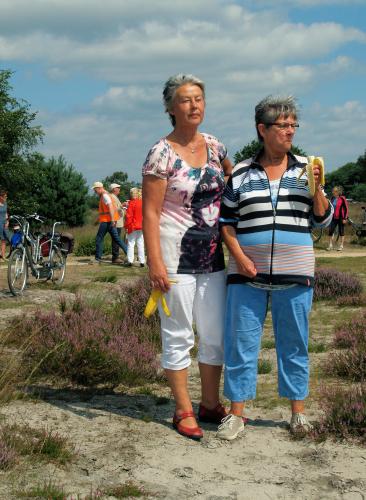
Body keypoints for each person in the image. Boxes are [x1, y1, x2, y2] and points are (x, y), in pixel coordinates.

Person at [217, 95, 333, 441]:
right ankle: (237, 415)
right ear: (262, 129)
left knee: (295, 343)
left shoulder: (305, 169)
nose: (290, 131)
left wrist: (317, 188)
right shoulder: (239, 172)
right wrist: (239, 257)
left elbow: (322, 220)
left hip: (295, 273)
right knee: (240, 343)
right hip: (245, 276)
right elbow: (226, 221)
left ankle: (297, 413)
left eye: (293, 125)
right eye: (283, 125)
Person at [142, 74, 233, 440]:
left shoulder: (215, 146)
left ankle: (210, 404)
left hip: (213, 256)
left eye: (199, 98)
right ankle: (182, 409)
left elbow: (233, 182)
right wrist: (155, 263)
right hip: (174, 255)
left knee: (214, 333)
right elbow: (150, 213)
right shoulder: (160, 153)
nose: (194, 105)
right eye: (184, 100)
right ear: (170, 108)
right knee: (178, 333)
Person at [92, 181, 127, 262]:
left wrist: (111, 220)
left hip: (107, 221)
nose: (95, 191)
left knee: (99, 238)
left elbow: (111, 207)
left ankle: (97, 258)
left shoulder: (104, 196)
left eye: (95, 190)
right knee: (117, 239)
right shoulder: (105, 195)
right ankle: (129, 253)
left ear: (99, 188)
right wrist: (98, 220)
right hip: (109, 220)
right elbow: (104, 211)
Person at [124, 187, 145, 267]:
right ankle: (142, 261)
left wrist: (127, 226)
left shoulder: (131, 203)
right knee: (140, 243)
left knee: (131, 243)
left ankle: (130, 260)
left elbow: (129, 216)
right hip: (141, 225)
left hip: (132, 226)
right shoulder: (143, 203)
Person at [327, 186, 348, 251]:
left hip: (341, 217)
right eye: (333, 191)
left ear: (338, 192)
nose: (333, 192)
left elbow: (346, 208)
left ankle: (341, 246)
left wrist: (345, 218)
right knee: (331, 231)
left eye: (334, 191)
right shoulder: (332, 198)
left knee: (341, 231)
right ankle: (330, 245)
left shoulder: (342, 198)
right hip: (333, 217)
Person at [109, 182, 125, 264]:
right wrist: (122, 205)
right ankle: (115, 257)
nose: (119, 189)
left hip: (117, 221)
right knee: (116, 240)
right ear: (114, 189)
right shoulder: (112, 197)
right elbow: (114, 208)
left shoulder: (114, 197)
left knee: (116, 239)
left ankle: (116, 256)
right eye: (118, 188)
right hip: (116, 221)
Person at [0, 190, 10, 261]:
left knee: (4, 239)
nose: (6, 198)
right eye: (5, 196)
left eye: (6, 196)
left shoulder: (5, 203)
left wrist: (7, 221)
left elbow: (6, 213)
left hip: (4, 223)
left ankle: (3, 256)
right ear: (1, 197)